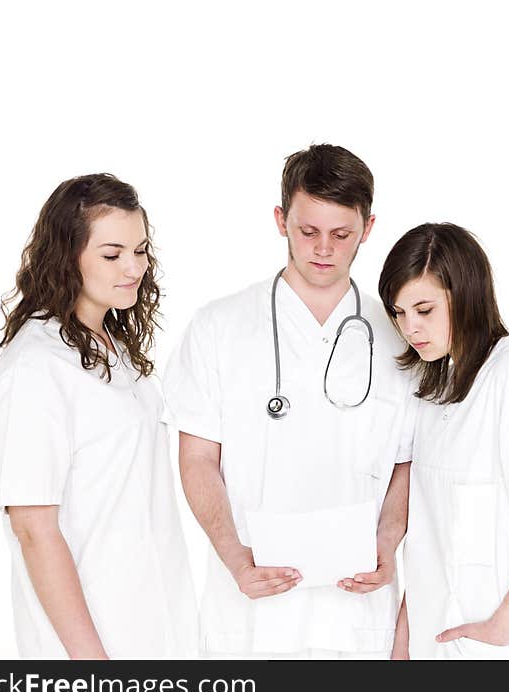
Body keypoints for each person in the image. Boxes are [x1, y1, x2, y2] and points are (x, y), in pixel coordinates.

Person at [163, 144, 413, 658]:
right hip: (250, 615)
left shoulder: (402, 334)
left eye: (341, 235)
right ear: (281, 220)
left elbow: (408, 463)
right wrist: (235, 558)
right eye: (307, 231)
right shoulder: (219, 327)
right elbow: (196, 459)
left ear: (367, 228)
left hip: (356, 611)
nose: (323, 249)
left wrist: (387, 545)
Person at [0, 173, 198, 658]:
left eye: (141, 251)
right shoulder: (34, 366)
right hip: (90, 649)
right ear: (67, 256)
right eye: (111, 254)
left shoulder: (116, 350)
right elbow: (34, 528)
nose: (134, 267)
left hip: (155, 627)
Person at [379, 223, 509, 659]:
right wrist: (403, 642)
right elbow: (428, 538)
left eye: (424, 309)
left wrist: (503, 626)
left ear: (466, 295)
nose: (411, 328)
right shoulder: (437, 385)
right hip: (437, 641)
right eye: (400, 314)